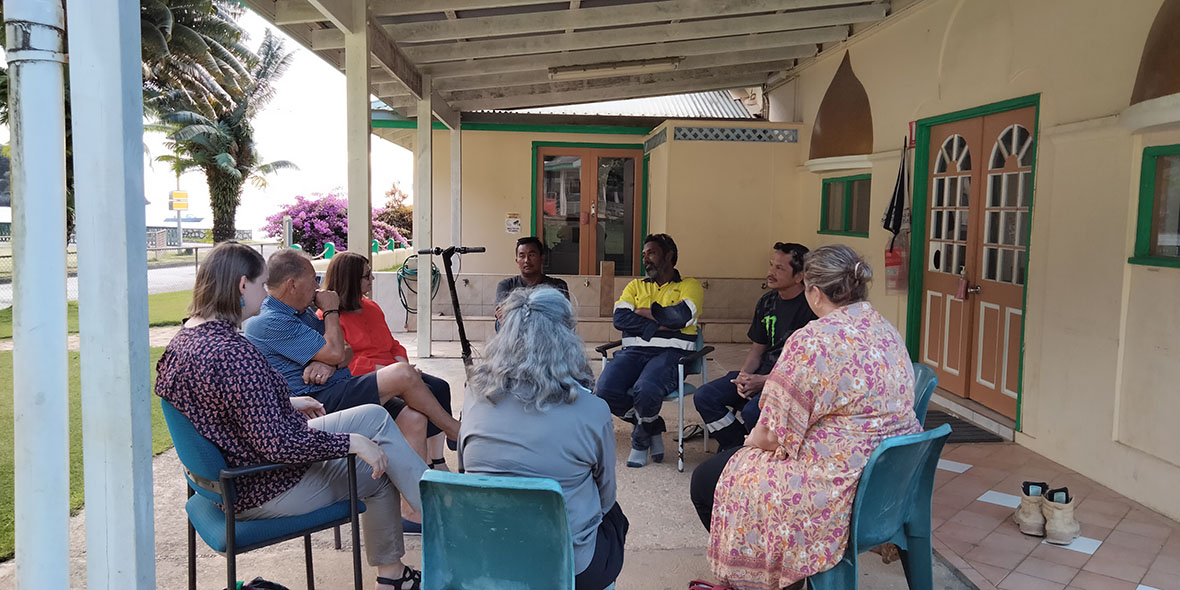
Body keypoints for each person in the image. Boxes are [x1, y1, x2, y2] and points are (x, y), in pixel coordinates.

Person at [155, 242, 428, 590]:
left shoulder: (186, 341)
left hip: (226, 474)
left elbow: (219, 404)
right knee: (379, 468)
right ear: (242, 285)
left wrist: (285, 399)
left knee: (374, 414)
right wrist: (352, 443)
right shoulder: (233, 352)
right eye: (261, 283)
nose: (266, 293)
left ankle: (436, 509)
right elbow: (281, 445)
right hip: (262, 484)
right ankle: (406, 561)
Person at [690, 245, 922, 590]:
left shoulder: (813, 339)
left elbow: (771, 435)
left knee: (709, 480)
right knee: (729, 468)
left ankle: (766, 578)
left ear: (813, 292)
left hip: (839, 486)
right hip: (888, 479)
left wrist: (752, 440)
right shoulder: (885, 328)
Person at [460, 286, 627, 590]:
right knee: (616, 517)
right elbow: (605, 499)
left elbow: (465, 471)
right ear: (568, 339)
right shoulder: (593, 411)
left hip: (489, 558)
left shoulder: (474, 398)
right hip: (568, 567)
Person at [244, 249, 460, 466]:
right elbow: (339, 352)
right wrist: (330, 311)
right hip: (314, 400)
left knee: (414, 418)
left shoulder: (304, 313)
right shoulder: (269, 321)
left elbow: (344, 350)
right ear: (293, 284)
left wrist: (328, 363)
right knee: (403, 374)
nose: (317, 285)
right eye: (313, 279)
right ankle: (454, 430)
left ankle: (415, 497)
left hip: (338, 385)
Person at [322, 251, 454, 470]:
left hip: (396, 370)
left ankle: (437, 457)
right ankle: (430, 460)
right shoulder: (329, 317)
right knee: (425, 394)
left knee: (441, 387)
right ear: (351, 279)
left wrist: (403, 362)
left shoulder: (371, 307)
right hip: (371, 377)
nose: (371, 279)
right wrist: (393, 370)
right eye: (366, 276)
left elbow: (392, 343)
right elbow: (347, 362)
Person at [692, 242, 817, 451]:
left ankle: (756, 454)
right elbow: (756, 350)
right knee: (705, 396)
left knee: (753, 411)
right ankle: (736, 447)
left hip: (789, 382)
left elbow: (807, 369)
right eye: (771, 265)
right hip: (761, 375)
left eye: (779, 268)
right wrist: (743, 377)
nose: (770, 273)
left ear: (799, 276)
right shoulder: (767, 302)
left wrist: (765, 381)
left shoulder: (812, 307)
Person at [596, 233, 704, 468]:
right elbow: (620, 319)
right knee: (604, 390)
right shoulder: (635, 285)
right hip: (633, 353)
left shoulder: (690, 286)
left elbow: (680, 316)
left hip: (672, 355)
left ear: (669, 256)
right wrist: (660, 321)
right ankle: (652, 424)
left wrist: (644, 312)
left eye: (652, 253)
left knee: (645, 389)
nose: (646, 259)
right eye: (644, 255)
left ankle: (640, 441)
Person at [494, 236, 570, 323]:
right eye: (522, 256)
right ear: (517, 261)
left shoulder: (558, 285)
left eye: (532, 255)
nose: (527, 260)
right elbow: (501, 314)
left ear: (542, 258)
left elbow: (564, 316)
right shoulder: (506, 285)